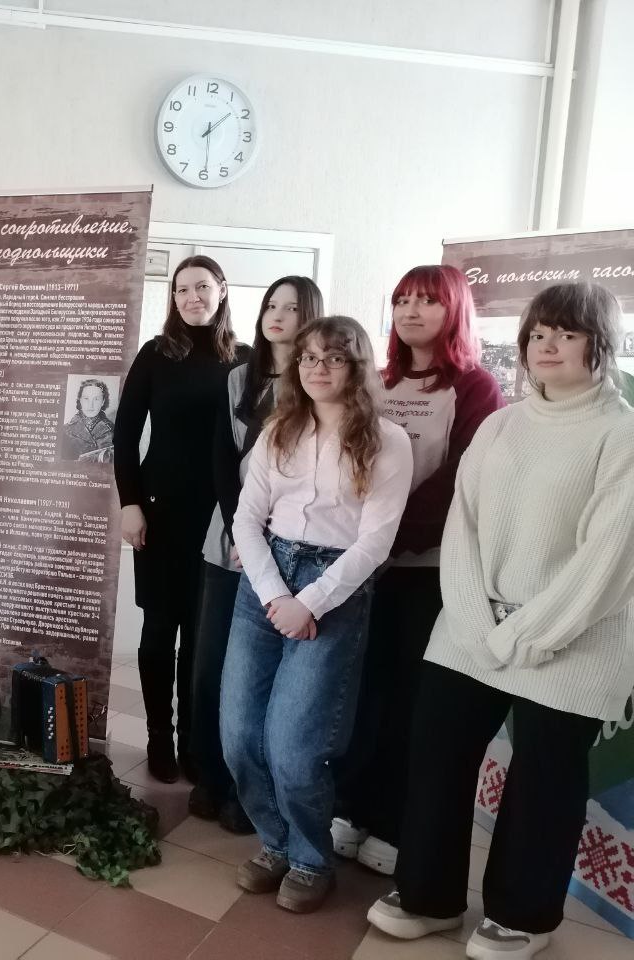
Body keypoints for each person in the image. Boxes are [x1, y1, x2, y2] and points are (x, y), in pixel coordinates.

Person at [368, 283, 634, 959]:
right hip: (472, 625)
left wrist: (523, 634)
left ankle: (523, 915)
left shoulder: (621, 433)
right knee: (437, 749)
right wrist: (474, 618)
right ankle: (427, 896)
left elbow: (608, 561)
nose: (547, 346)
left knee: (544, 774)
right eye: (538, 334)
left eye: (567, 334)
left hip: (573, 637)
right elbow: (463, 528)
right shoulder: (501, 425)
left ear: (602, 343)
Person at [221, 316, 412, 913]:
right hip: (264, 580)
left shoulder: (388, 440)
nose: (317, 368)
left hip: (333, 591)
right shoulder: (279, 429)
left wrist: (308, 602)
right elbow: (246, 519)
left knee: (294, 746)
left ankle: (309, 858)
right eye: (307, 358)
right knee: (238, 737)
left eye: (332, 358)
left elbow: (374, 544)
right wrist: (275, 595)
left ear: (357, 367)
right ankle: (275, 843)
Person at [332, 265, 504, 877]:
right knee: (362, 691)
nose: (410, 311)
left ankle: (392, 822)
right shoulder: (378, 382)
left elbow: (461, 483)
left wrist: (386, 539)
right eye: (402, 299)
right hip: (364, 563)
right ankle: (352, 807)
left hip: (426, 569)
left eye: (427, 301)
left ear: (453, 310)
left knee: (410, 698)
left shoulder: (476, 388)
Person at [191, 275, 323, 832]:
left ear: (309, 316)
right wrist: (239, 529)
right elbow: (222, 458)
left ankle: (252, 794)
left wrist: (266, 538)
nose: (277, 315)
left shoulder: (317, 379)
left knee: (261, 678)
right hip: (230, 540)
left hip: (289, 548)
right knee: (210, 665)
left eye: (291, 308)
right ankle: (210, 777)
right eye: (271, 305)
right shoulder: (239, 377)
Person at [113, 255, 247, 783]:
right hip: (160, 510)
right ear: (173, 297)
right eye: (182, 289)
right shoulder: (156, 354)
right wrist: (130, 503)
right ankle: (157, 737)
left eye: (202, 287)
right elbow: (125, 435)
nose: (192, 297)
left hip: (219, 516)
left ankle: (193, 741)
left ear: (222, 290)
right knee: (158, 631)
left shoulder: (244, 359)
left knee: (201, 635)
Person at [60, 378, 115, 462]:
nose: (91, 405)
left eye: (96, 399)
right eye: (86, 398)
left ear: (103, 402)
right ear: (80, 400)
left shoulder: (112, 430)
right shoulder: (65, 430)